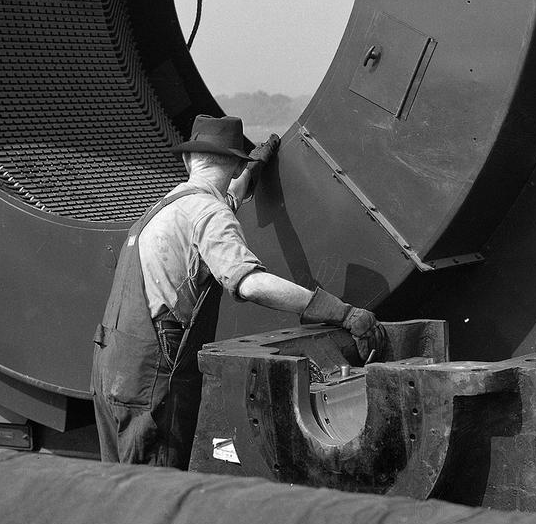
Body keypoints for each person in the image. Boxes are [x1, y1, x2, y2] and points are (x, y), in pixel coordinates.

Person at [92, 115, 387, 468]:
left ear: (188, 160)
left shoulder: (171, 205)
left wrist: (253, 172)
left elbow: (227, 197)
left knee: (115, 488)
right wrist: (341, 311)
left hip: (110, 368)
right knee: (155, 495)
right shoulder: (208, 213)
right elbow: (250, 283)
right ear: (233, 163)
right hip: (150, 381)